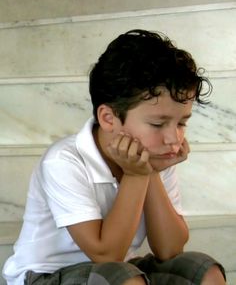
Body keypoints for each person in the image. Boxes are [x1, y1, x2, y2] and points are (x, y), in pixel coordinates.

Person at [2, 29, 226, 285]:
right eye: (157, 124)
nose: (174, 139)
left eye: (182, 123)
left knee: (204, 271)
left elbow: (169, 250)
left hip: (120, 268)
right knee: (122, 280)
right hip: (47, 275)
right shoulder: (64, 161)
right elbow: (106, 254)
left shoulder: (154, 154)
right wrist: (137, 174)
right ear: (108, 118)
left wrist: (150, 171)